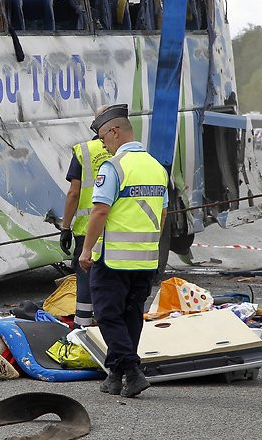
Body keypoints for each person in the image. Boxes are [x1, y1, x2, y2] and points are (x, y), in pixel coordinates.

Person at [79, 104, 168, 398]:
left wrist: (86, 250)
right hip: (146, 257)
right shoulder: (156, 167)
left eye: (104, 138)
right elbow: (163, 213)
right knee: (131, 314)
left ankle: (132, 369)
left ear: (115, 132)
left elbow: (100, 211)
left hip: (114, 258)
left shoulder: (114, 167)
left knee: (106, 314)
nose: (103, 144)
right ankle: (115, 376)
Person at [59, 126, 110, 328]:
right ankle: (108, 324)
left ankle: (82, 327)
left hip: (86, 229)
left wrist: (65, 227)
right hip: (117, 228)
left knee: (86, 279)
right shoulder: (125, 151)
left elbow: (74, 193)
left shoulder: (84, 151)